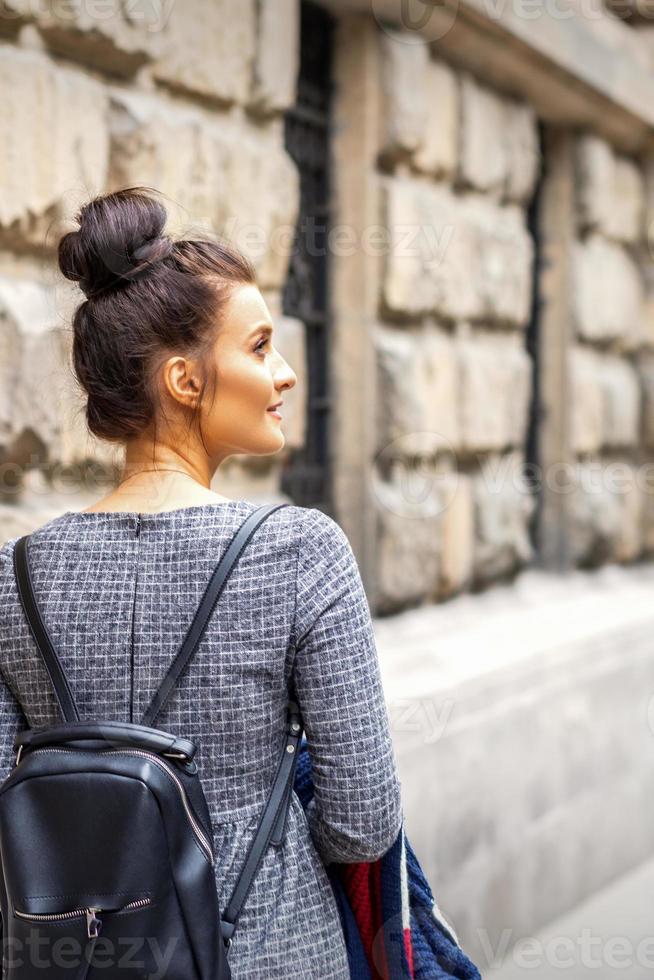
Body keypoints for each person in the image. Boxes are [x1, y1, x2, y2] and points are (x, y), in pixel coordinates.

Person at [0, 186, 403, 978]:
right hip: (271, 956)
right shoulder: (299, 551)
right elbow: (364, 823)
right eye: (258, 347)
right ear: (185, 381)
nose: (284, 374)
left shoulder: (15, 575)